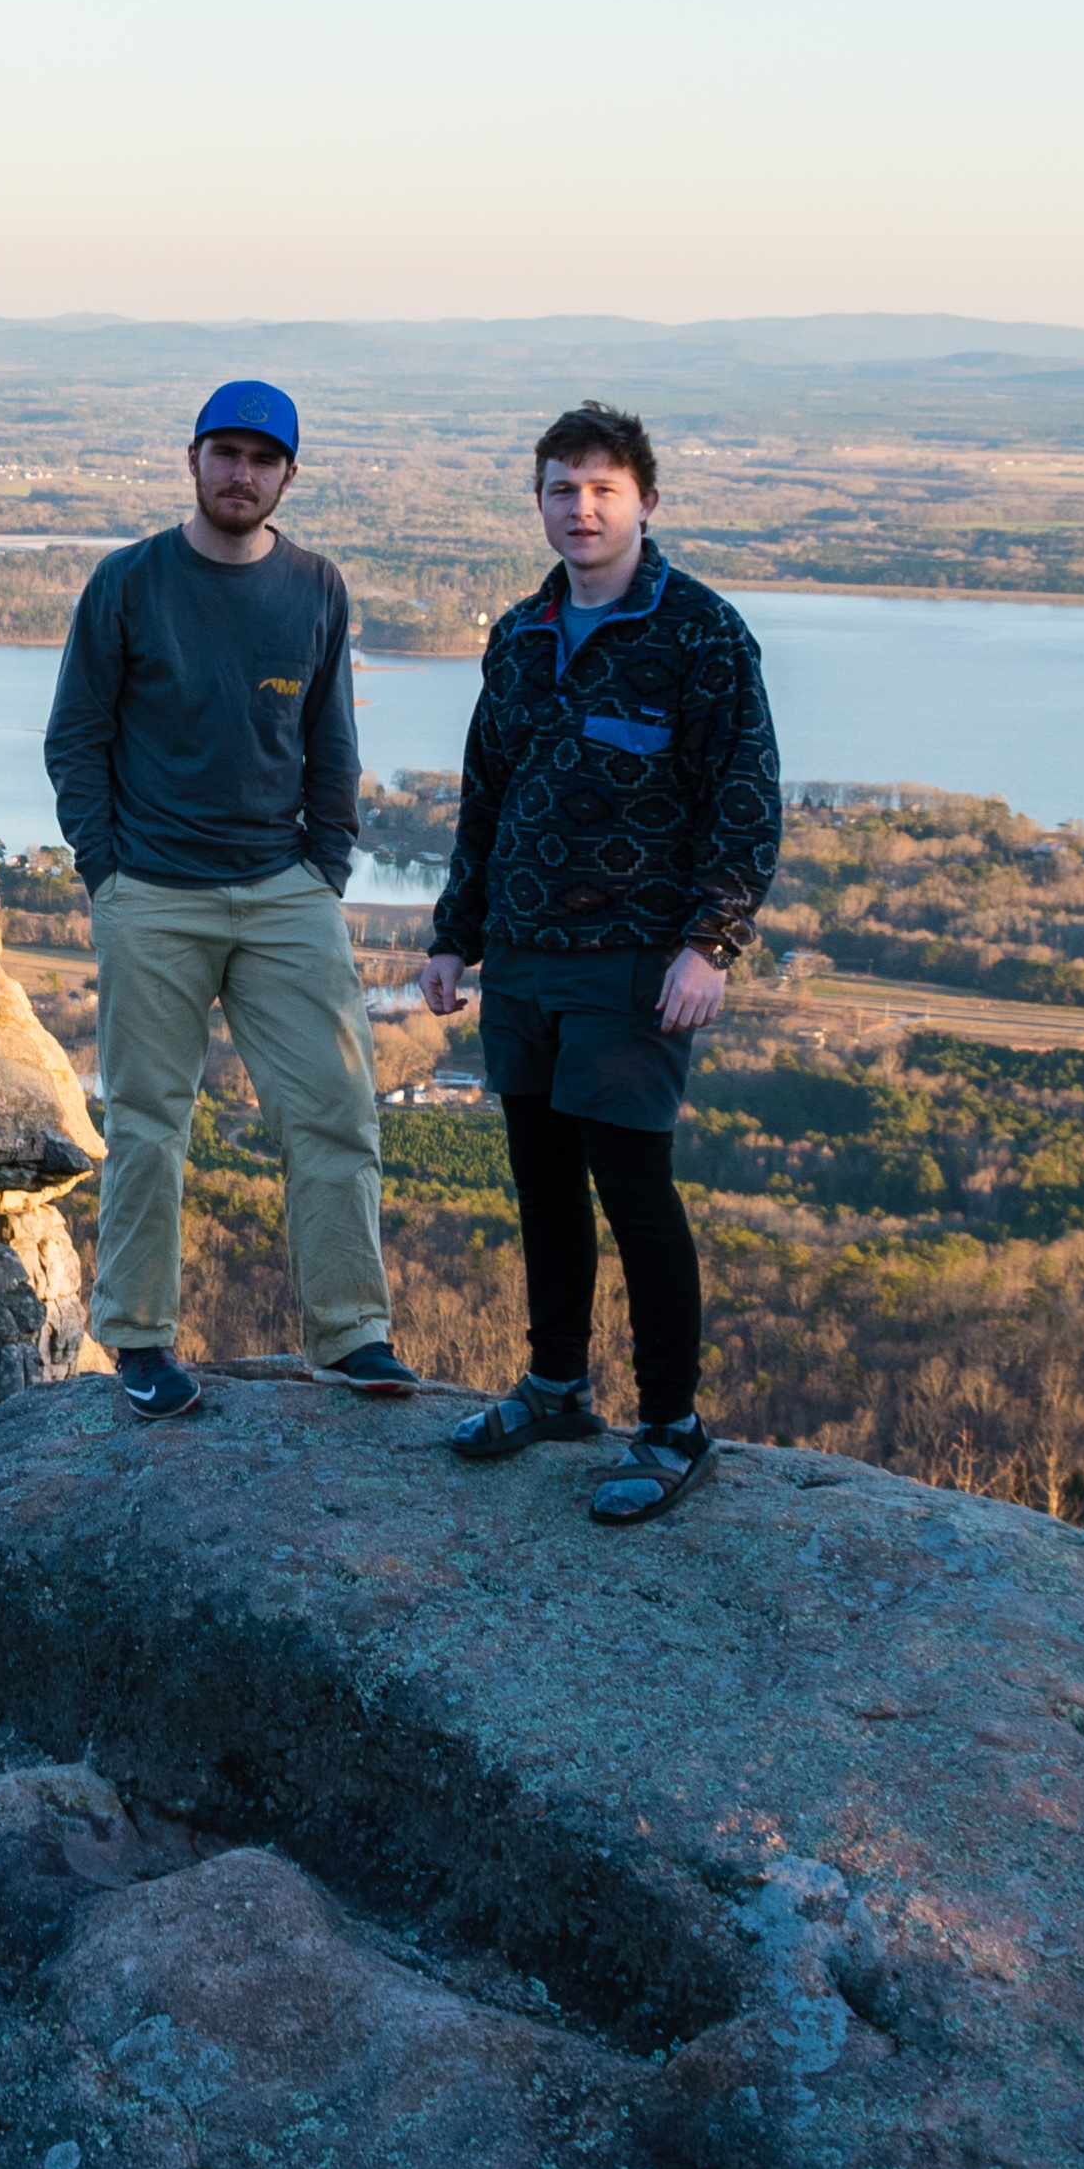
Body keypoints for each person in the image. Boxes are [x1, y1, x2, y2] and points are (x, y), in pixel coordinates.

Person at [420, 401, 784, 1519]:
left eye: (602, 490)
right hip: (522, 959)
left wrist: (710, 946)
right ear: (538, 502)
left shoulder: (703, 633)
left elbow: (744, 800)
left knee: (633, 1192)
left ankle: (672, 1426)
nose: (580, 509)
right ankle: (558, 1386)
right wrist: (454, 934)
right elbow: (486, 796)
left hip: (633, 963)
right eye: (561, 489)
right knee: (541, 1184)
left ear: (646, 502)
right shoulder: (521, 634)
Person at [41, 379, 413, 1419]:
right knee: (150, 1120)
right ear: (194, 459)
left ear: (288, 475)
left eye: (262, 459)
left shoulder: (315, 586)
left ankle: (352, 1333)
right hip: (154, 892)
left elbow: (332, 743)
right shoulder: (129, 582)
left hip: (285, 892)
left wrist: (325, 872)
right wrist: (108, 875)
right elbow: (76, 738)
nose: (241, 474)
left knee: (335, 1110)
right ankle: (140, 1339)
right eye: (225, 453)